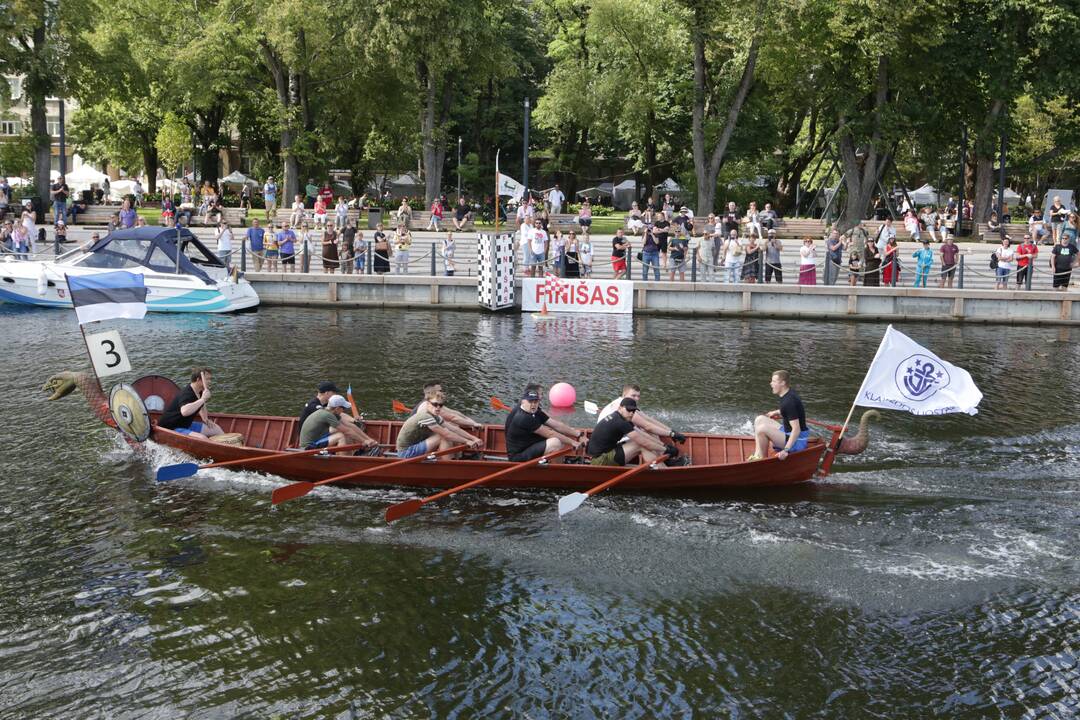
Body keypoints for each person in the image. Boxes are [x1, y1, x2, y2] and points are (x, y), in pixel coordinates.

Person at [587, 398, 674, 467]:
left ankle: (663, 462)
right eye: (628, 410)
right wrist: (666, 449)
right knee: (640, 445)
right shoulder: (620, 422)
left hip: (604, 453)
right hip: (600, 460)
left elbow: (641, 435)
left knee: (639, 441)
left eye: (633, 411)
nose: (631, 413)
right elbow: (644, 442)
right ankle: (664, 471)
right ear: (620, 408)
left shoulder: (618, 416)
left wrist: (664, 446)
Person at [504, 385, 582, 462]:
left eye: (536, 401)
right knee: (555, 442)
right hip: (518, 456)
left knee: (560, 436)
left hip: (528, 445)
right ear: (523, 401)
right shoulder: (523, 417)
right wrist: (573, 442)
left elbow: (556, 424)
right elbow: (550, 434)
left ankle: (560, 462)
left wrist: (578, 434)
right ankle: (559, 470)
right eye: (530, 401)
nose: (533, 404)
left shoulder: (535, 410)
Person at [396, 390, 483, 459]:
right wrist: (467, 441)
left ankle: (457, 459)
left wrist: (473, 438)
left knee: (450, 430)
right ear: (427, 403)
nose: (438, 407)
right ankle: (448, 466)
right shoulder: (425, 416)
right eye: (435, 404)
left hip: (417, 445)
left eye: (440, 405)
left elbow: (454, 429)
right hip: (406, 452)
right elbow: (447, 434)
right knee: (443, 435)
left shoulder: (434, 415)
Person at [749, 370, 808, 462]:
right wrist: (776, 412)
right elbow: (792, 410)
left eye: (774, 381)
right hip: (788, 431)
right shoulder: (788, 393)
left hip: (798, 441)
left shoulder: (788, 402)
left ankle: (761, 460)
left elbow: (796, 429)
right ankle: (758, 454)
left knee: (762, 429)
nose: (770, 383)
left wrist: (786, 450)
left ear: (783, 383)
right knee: (759, 419)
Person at [158, 369, 224, 439]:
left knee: (217, 429)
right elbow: (184, 412)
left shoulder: (200, 391)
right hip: (171, 427)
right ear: (198, 379)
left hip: (186, 425)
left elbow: (201, 406)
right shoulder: (187, 393)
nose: (209, 382)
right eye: (207, 379)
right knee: (202, 438)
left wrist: (206, 419)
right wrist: (203, 399)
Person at [299, 394, 379, 451]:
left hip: (317, 439)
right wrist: (364, 441)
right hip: (308, 446)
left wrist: (369, 439)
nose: (344, 411)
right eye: (343, 408)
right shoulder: (327, 415)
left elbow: (350, 426)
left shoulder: (331, 412)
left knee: (343, 431)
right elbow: (347, 431)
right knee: (341, 435)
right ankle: (345, 462)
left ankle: (349, 454)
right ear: (337, 408)